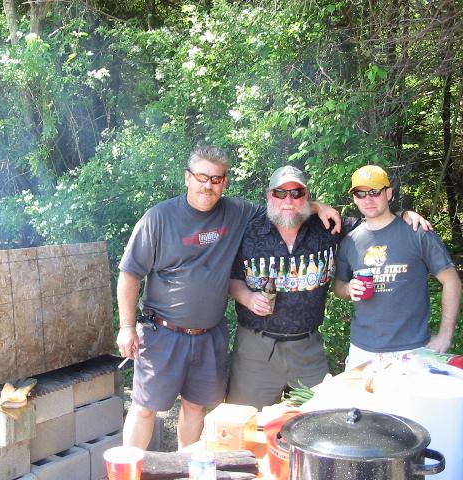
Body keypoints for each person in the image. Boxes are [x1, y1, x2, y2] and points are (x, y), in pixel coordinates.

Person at [116, 148, 341, 450]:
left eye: (216, 179)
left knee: (196, 408)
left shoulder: (237, 212)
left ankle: (187, 466)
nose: (208, 185)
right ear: (187, 178)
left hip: (209, 335)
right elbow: (129, 274)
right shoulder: (159, 218)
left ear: (224, 182)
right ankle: (129, 468)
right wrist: (126, 327)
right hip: (163, 332)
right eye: (201, 177)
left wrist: (317, 206)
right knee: (145, 408)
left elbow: (283, 207)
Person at [227, 165, 431, 409]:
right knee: (243, 420)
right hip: (256, 348)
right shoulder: (248, 230)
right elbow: (231, 278)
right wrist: (247, 298)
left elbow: (376, 223)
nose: (288, 200)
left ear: (307, 196)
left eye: (296, 193)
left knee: (323, 418)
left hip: (307, 348)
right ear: (269, 195)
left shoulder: (328, 226)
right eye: (280, 193)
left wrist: (404, 215)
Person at [333, 165, 461, 370]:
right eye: (360, 193)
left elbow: (451, 281)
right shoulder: (350, 241)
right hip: (362, 351)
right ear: (354, 199)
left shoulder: (417, 232)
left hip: (412, 350)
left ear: (389, 193)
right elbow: (338, 286)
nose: (368, 199)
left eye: (375, 191)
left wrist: (445, 335)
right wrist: (348, 288)